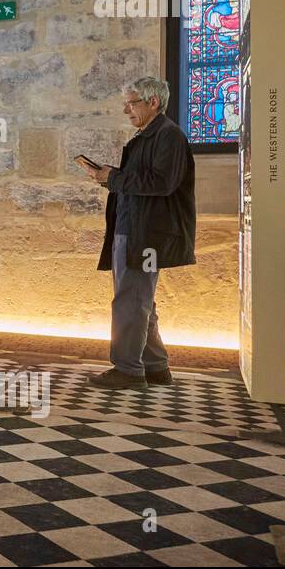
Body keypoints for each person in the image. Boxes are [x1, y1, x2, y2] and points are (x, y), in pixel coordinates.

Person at [81, 77, 196, 389]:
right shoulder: (147, 137)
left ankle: (128, 370)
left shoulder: (169, 136)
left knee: (131, 300)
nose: (126, 109)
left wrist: (115, 178)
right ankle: (155, 366)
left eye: (132, 102)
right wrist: (110, 178)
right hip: (130, 228)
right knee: (140, 299)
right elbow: (140, 180)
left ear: (153, 102)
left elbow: (161, 183)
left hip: (146, 234)